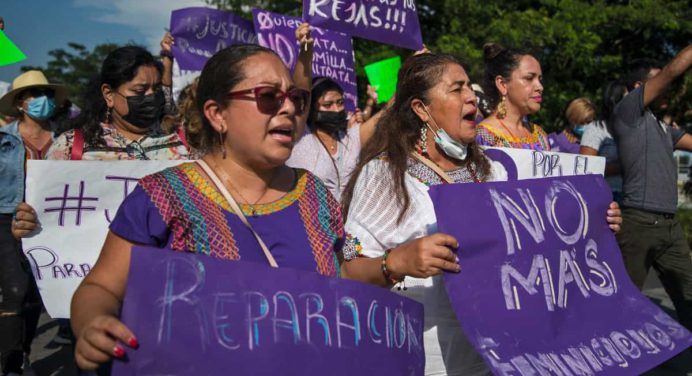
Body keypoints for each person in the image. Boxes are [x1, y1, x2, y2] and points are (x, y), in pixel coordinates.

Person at [339, 52, 622, 375]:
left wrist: (592, 223)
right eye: (457, 88)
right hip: (422, 361)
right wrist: (397, 263)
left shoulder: (491, 172)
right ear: (422, 109)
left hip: (494, 361)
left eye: (469, 88)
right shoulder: (385, 175)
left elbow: (534, 248)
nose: (472, 95)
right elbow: (348, 271)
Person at [70, 44, 346, 371]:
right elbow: (99, 286)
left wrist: (389, 264)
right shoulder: (161, 197)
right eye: (269, 96)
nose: (288, 109)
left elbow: (349, 257)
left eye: (295, 98)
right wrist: (92, 323)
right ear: (218, 114)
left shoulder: (316, 193)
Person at [612, 45, 692, 331]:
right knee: (623, 304)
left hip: (670, 228)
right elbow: (672, 72)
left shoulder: (663, 127)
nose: (666, 89)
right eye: (659, 83)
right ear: (638, 88)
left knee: (689, 297)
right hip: (638, 224)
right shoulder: (629, 111)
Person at [0, 70, 67, 375]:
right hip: (6, 219)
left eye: (47, 94)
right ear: (20, 103)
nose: (43, 100)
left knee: (37, 292)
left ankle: (23, 349)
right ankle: (12, 363)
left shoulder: (66, 139)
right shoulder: (4, 138)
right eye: (35, 95)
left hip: (49, 222)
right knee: (15, 289)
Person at [44, 45, 189, 161]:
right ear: (109, 94)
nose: (151, 96)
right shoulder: (71, 147)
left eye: (156, 88)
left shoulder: (184, 141)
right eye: (139, 91)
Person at [476, 43, 551, 150]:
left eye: (540, 79)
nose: (540, 87)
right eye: (529, 78)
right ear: (502, 84)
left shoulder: (540, 135)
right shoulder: (483, 137)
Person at [580, 80, 628, 202]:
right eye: (627, 99)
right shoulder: (596, 129)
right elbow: (586, 168)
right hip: (607, 195)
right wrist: (623, 167)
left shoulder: (633, 129)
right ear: (614, 101)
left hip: (631, 197)